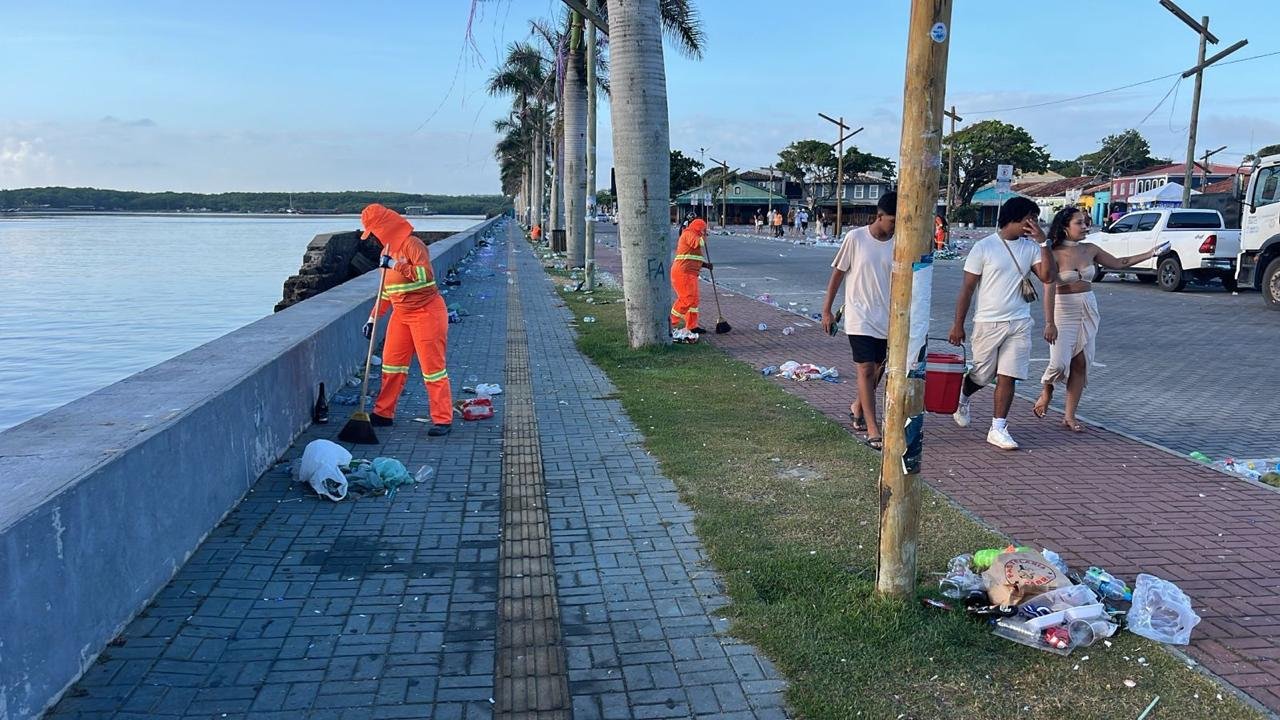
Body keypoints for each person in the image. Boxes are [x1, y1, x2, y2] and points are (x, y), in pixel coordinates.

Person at [1032, 206, 1170, 431]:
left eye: (1086, 222)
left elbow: (1120, 263)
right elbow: (1048, 288)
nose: (1085, 226)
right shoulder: (1053, 252)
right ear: (1065, 227)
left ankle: (1069, 416)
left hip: (1088, 307)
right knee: (1058, 362)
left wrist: (1152, 253)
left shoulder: (1090, 249)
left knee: (1081, 363)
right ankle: (1047, 388)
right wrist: (1049, 322)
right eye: (1079, 223)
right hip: (1063, 309)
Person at [947, 197, 1057, 450]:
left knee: (1009, 375)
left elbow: (1048, 276)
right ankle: (963, 397)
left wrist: (1043, 242)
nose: (1034, 223)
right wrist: (958, 325)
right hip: (987, 321)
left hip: (1019, 321)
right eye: (1031, 218)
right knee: (983, 375)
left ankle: (998, 428)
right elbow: (967, 288)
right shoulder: (984, 247)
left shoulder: (1031, 247)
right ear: (1016, 218)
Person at [360, 204, 454, 436]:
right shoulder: (385, 252)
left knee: (433, 369)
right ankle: (383, 413)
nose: (374, 237)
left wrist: (395, 265)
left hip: (427, 312)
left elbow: (426, 276)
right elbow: (386, 291)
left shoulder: (413, 245)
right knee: (391, 364)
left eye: (374, 231)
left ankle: (442, 419)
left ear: (385, 227)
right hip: (401, 315)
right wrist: (373, 319)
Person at [821, 192, 897, 451]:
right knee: (865, 369)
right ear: (879, 216)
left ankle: (857, 406)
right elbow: (838, 274)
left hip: (887, 318)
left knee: (878, 370)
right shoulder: (856, 238)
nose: (894, 227)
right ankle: (873, 428)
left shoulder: (900, 243)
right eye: (892, 221)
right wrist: (827, 310)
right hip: (859, 315)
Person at [671, 217, 711, 334]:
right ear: (699, 228)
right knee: (686, 299)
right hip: (682, 273)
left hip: (690, 273)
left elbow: (692, 258)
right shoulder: (689, 234)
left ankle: (692, 325)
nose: (704, 231)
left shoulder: (693, 234)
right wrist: (704, 234)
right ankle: (670, 323)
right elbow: (700, 243)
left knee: (694, 301)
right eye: (703, 229)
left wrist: (705, 265)